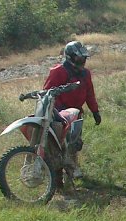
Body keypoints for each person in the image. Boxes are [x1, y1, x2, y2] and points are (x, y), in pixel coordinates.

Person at [43, 41, 101, 178]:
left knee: (74, 145)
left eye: (84, 58)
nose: (82, 61)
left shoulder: (85, 74)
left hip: (76, 115)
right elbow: (48, 93)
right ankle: (57, 179)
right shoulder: (58, 72)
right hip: (58, 115)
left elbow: (89, 93)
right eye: (79, 58)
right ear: (70, 57)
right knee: (57, 148)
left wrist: (95, 111)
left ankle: (72, 172)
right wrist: (59, 111)